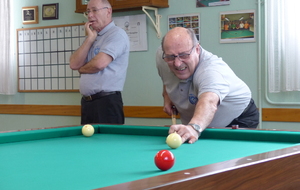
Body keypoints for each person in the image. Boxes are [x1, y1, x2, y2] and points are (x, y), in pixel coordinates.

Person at [156, 27, 259, 144]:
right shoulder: (162, 55)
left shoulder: (211, 71)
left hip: (238, 118)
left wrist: (193, 128)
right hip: (197, 121)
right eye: (170, 57)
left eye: (184, 55)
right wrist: (167, 95)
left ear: (197, 49)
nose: (177, 63)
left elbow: (209, 101)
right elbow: (166, 75)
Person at [69, 0, 130, 125]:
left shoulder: (117, 34)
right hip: (87, 103)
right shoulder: (93, 36)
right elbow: (74, 64)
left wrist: (82, 69)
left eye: (94, 10)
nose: (90, 15)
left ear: (108, 11)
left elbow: (99, 64)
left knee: (108, 143)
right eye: (88, 12)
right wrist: (90, 39)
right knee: (88, 144)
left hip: (106, 102)